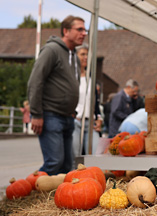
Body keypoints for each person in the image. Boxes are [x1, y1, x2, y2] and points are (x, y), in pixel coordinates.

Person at [28, 15, 87, 175]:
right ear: (66, 31)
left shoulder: (74, 55)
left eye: (85, 29)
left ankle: (56, 198)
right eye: (79, 29)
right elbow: (35, 81)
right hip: (50, 115)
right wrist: (36, 113)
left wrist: (73, 111)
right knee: (54, 162)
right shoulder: (51, 50)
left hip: (68, 117)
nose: (84, 33)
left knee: (67, 165)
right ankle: (31, 191)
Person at [72, 43, 102, 160]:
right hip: (75, 121)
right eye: (82, 54)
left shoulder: (91, 78)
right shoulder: (71, 78)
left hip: (90, 123)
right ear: (75, 56)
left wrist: (99, 117)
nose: (85, 57)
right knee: (75, 156)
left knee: (94, 155)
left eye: (87, 55)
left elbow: (96, 102)